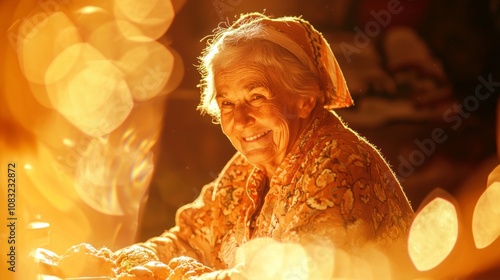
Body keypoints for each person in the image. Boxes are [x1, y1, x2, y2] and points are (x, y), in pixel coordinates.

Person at [34, 12, 416, 279]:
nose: (239, 121)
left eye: (257, 96)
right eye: (227, 104)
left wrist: (162, 277)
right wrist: (108, 266)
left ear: (305, 98)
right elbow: (186, 239)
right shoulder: (244, 170)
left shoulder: (339, 164)